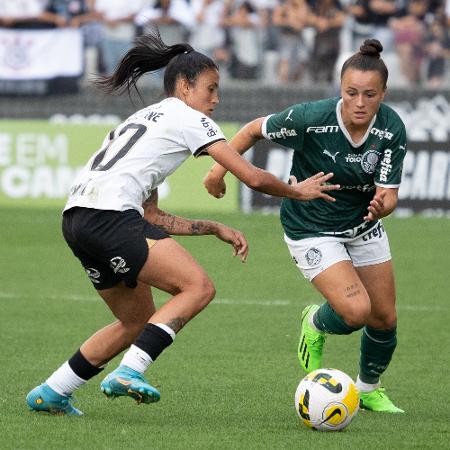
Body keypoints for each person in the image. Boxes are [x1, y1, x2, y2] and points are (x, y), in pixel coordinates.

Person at [25, 29, 338, 416]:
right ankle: (129, 372)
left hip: (76, 220)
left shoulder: (143, 118)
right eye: (211, 88)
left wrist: (212, 227)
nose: (216, 100)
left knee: (136, 320)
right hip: (109, 218)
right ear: (186, 86)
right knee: (198, 287)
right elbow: (253, 177)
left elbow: (151, 216)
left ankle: (52, 391)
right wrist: (298, 191)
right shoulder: (187, 117)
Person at [204, 39, 407, 413]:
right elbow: (251, 130)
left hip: (362, 226)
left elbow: (389, 194)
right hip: (311, 226)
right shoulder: (311, 118)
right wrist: (217, 172)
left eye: (369, 94)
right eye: (351, 93)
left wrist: (382, 207)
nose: (360, 103)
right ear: (339, 89)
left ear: (383, 93)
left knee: (385, 318)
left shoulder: (391, 127)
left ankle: (367, 389)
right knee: (354, 313)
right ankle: (314, 321)